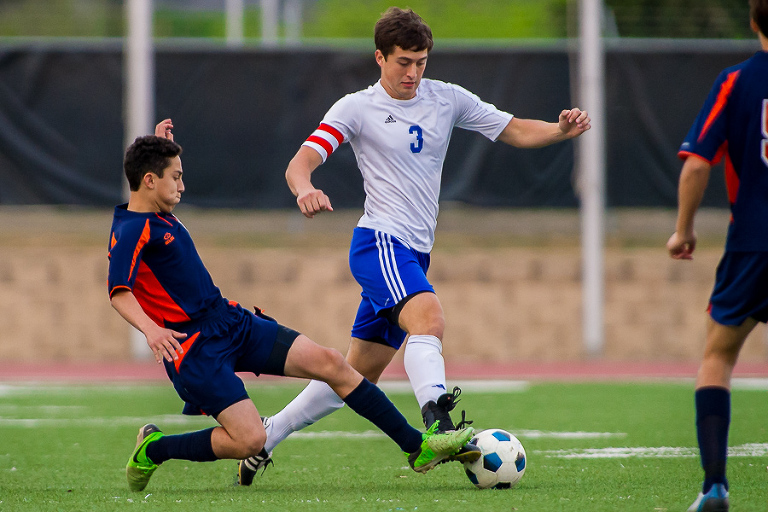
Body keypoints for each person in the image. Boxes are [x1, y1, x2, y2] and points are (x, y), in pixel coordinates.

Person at [238, 6, 591, 484]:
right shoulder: (355, 107)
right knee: (430, 317)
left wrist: (559, 130)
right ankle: (439, 424)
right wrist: (304, 188)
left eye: (421, 62)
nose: (413, 73)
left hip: (413, 252)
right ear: (380, 57)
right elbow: (300, 163)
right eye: (404, 62)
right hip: (380, 241)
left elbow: (511, 129)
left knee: (355, 375)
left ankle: (266, 434)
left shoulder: (447, 99)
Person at [109, 118, 474, 492]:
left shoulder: (157, 210)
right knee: (250, 440)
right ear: (150, 180)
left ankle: (418, 448)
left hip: (229, 321)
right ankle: (156, 449)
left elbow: (151, 185)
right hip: (194, 349)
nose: (183, 185)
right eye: (175, 177)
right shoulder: (132, 229)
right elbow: (118, 290)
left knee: (331, 362)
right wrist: (152, 331)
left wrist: (157, 147)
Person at [666, 1, 768, 511]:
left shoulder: (737, 81)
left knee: (718, 357)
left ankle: (714, 487)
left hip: (752, 243)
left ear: (754, 21)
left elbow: (696, 165)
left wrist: (683, 230)